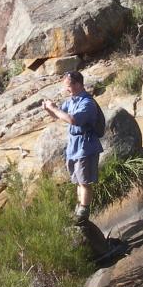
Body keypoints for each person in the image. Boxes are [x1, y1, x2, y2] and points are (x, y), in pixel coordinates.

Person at [43, 71, 103, 223]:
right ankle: (80, 208)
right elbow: (59, 115)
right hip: (74, 146)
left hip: (85, 146)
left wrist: (55, 109)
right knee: (77, 180)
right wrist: (50, 109)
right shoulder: (72, 100)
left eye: (68, 86)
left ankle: (84, 211)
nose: (66, 89)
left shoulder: (87, 103)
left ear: (78, 84)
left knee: (84, 181)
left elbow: (72, 119)